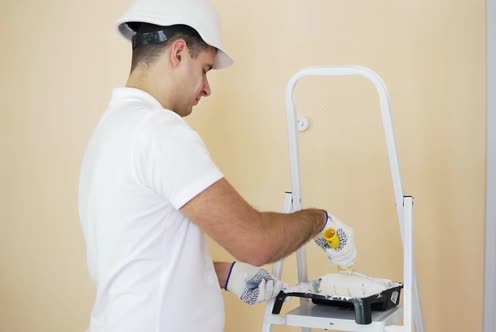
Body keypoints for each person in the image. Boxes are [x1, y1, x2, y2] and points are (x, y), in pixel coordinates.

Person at [78, 0, 356, 331]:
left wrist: (225, 274)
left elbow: (136, 256)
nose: (207, 89)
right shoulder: (160, 131)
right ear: (178, 53)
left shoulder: (111, 129)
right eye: (206, 69)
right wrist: (319, 220)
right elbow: (258, 242)